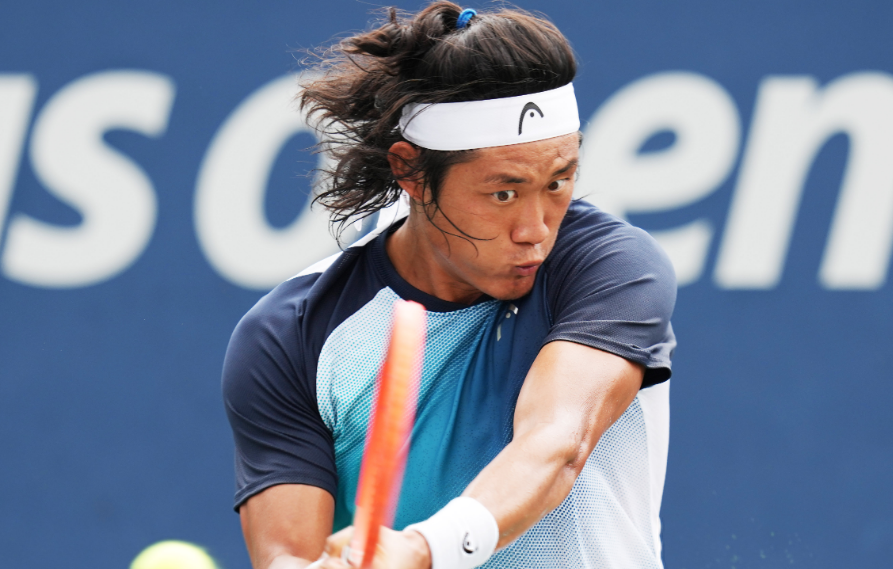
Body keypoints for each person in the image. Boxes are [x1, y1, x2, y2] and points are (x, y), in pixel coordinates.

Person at [222, 3, 677, 569]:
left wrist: (423, 550)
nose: (536, 229)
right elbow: (288, 556)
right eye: (503, 193)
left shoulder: (610, 265)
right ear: (410, 171)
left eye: (559, 182)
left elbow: (556, 442)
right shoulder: (291, 333)